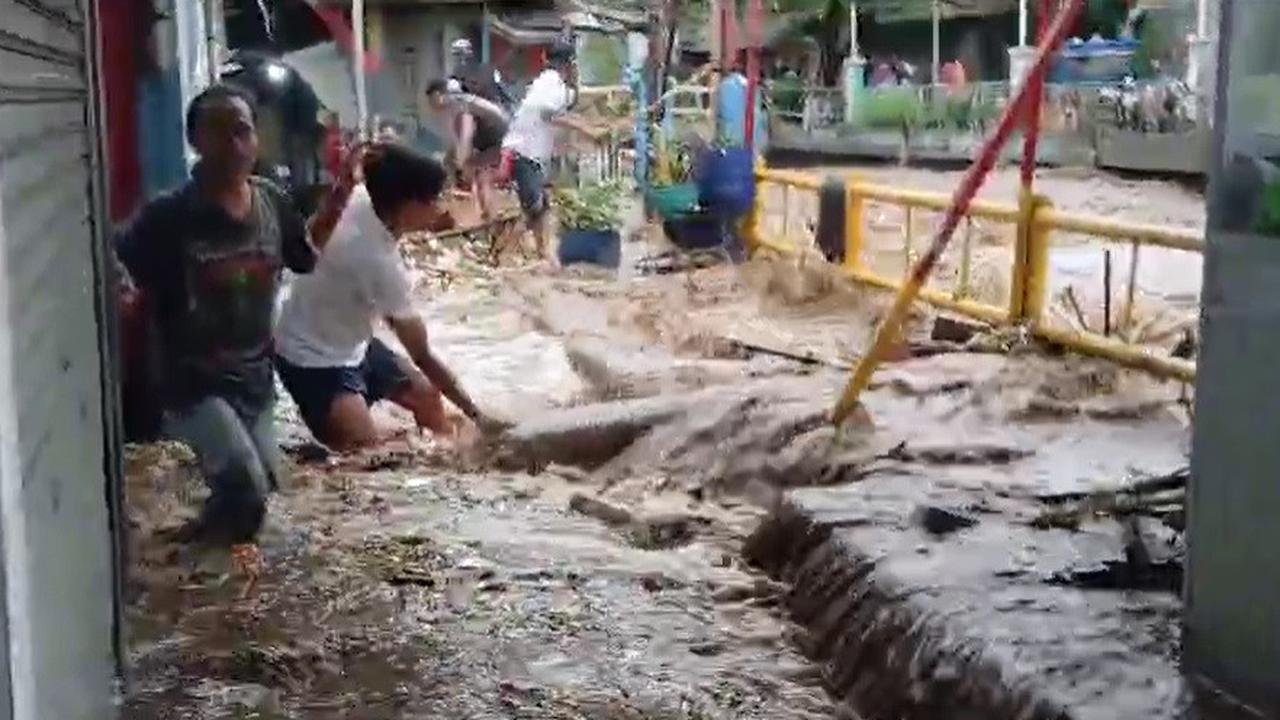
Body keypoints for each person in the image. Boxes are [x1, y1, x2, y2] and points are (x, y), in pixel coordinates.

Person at [115, 84, 358, 545]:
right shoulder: (170, 216)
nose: (235, 144)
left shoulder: (270, 202)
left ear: (256, 138)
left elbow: (304, 258)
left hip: (255, 382)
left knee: (262, 492)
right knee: (247, 490)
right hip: (192, 387)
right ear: (195, 141)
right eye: (220, 132)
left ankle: (194, 543)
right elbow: (113, 252)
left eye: (243, 131)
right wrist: (121, 288)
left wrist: (339, 200)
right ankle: (193, 567)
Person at [273, 144, 507, 451]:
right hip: (310, 359)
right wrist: (478, 416)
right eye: (436, 199)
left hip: (350, 342)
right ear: (409, 206)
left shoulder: (360, 199)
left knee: (428, 398)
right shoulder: (380, 264)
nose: (444, 206)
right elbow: (422, 355)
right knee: (366, 454)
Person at [501, 40, 601, 260]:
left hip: (527, 153)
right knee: (534, 209)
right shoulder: (551, 84)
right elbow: (549, 115)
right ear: (569, 64)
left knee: (541, 208)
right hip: (524, 153)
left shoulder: (548, 83)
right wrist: (587, 130)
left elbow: (565, 108)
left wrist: (586, 125)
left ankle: (542, 254)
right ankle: (503, 255)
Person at [426, 78, 511, 221]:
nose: (430, 105)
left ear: (439, 95)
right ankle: (486, 212)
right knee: (473, 170)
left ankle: (487, 214)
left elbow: (466, 134)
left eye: (431, 99)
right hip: (491, 138)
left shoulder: (458, 104)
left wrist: (462, 162)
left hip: (499, 139)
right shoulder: (455, 104)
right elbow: (456, 140)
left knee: (474, 170)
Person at [449, 38, 513, 111]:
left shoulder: (488, 70)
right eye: (457, 55)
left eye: (461, 54)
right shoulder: (457, 72)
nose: (461, 59)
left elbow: (501, 91)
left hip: (490, 105)